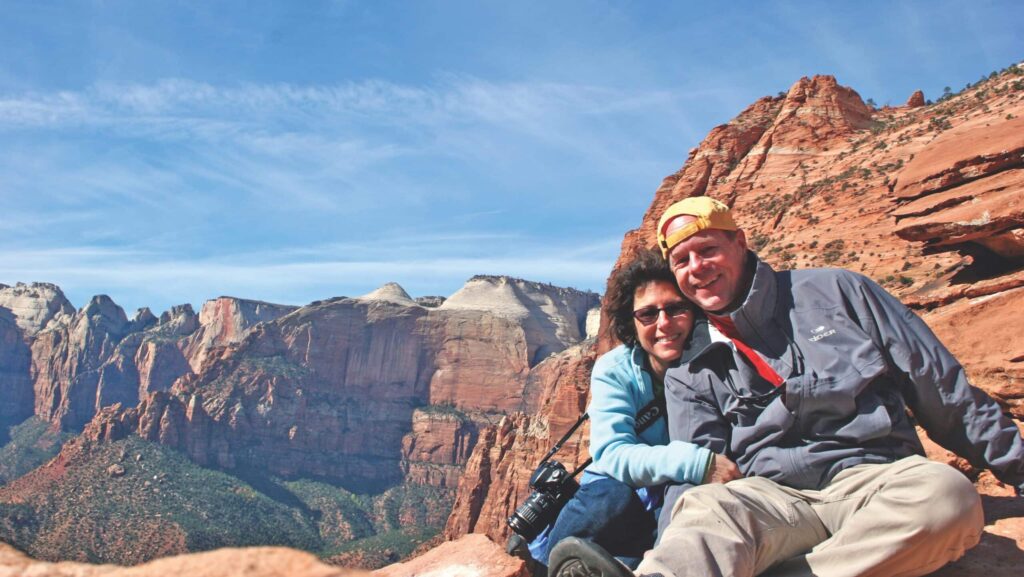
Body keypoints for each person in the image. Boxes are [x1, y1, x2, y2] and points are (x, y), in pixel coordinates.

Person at [549, 196, 1024, 577]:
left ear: (740, 242)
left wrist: (1018, 468)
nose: (697, 266)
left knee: (948, 497)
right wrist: (680, 537)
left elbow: (943, 392)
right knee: (705, 512)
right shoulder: (690, 362)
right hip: (769, 499)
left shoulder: (840, 293)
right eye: (682, 260)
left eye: (708, 249)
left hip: (874, 479)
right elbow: (693, 472)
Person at [532, 249, 739, 572]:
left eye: (675, 309)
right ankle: (551, 568)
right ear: (632, 322)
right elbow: (612, 455)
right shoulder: (616, 369)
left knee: (680, 522)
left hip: (671, 496)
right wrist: (695, 462)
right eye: (648, 314)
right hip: (621, 492)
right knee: (610, 498)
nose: (663, 324)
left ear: (694, 310)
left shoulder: (718, 360)